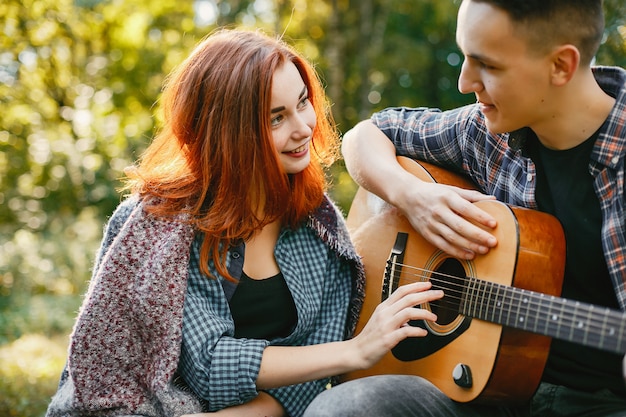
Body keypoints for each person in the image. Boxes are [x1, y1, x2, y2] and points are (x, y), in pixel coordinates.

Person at [45, 28, 445, 417]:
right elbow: (206, 365)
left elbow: (305, 383)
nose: (304, 127)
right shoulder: (158, 226)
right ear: (229, 133)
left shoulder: (320, 228)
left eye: (303, 102)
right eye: (276, 118)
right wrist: (355, 350)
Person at [303, 0, 626, 416]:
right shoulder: (485, 131)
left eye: (486, 65)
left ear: (561, 66)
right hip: (478, 390)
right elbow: (365, 136)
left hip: (603, 402)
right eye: (464, 56)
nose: (463, 82)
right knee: (343, 409)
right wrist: (412, 197)